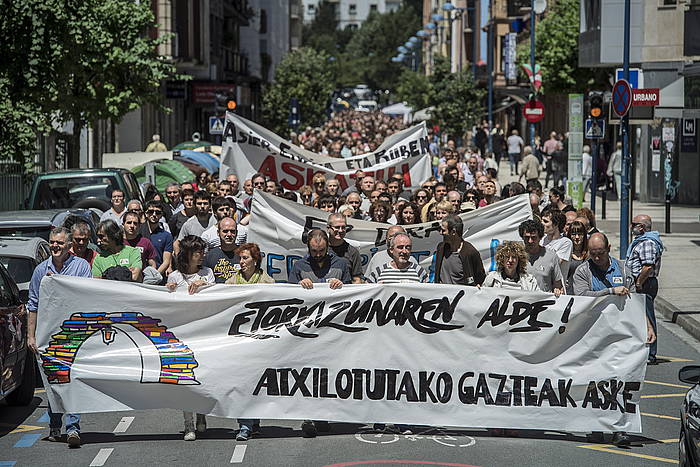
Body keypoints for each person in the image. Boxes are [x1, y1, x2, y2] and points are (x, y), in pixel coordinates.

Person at [572, 232, 655, 447]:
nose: (596, 258)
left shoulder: (624, 269)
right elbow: (581, 297)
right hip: (592, 338)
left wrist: (647, 325)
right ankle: (596, 426)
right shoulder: (583, 271)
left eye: (600, 253)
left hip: (620, 338)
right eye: (593, 254)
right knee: (594, 382)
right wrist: (610, 292)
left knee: (621, 382)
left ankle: (620, 428)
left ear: (608, 249)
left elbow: (635, 300)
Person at [27, 227, 92, 448]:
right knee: (54, 382)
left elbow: (85, 297)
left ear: (69, 246)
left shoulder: (81, 267)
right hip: (48, 334)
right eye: (52, 242)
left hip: (73, 333)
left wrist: (60, 284)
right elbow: (33, 305)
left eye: (60, 243)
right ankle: (55, 425)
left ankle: (73, 428)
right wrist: (31, 335)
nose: (55, 246)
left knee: (71, 380)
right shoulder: (39, 271)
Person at [288, 229, 350, 438]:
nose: (317, 255)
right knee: (307, 373)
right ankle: (308, 416)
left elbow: (355, 293)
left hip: (333, 330)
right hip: (307, 330)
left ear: (328, 247)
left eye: (321, 251)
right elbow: (287, 297)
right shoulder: (299, 266)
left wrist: (343, 286)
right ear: (308, 247)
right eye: (313, 251)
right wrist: (298, 286)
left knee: (328, 373)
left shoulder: (341, 264)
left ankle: (323, 414)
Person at [165, 235, 215, 441]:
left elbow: (217, 295)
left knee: (202, 378)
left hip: (204, 334)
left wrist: (205, 284)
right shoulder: (175, 277)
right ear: (187, 254)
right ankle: (188, 424)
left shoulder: (208, 273)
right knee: (185, 379)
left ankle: (201, 414)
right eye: (197, 252)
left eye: (202, 252)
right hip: (183, 336)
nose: (202, 256)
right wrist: (170, 291)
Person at [223, 243, 272, 441]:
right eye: (240, 259)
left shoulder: (268, 281)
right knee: (241, 384)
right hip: (239, 341)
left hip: (260, 341)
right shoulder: (232, 281)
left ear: (255, 260)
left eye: (245, 258)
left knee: (257, 383)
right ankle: (244, 425)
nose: (241, 262)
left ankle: (255, 422)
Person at [626, 214, 663, 364]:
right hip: (642, 282)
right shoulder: (642, 241)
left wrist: (639, 283)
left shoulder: (647, 242)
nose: (631, 226)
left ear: (641, 227)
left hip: (645, 283)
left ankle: (650, 353)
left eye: (633, 224)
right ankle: (643, 350)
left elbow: (647, 266)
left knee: (647, 316)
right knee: (640, 317)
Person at [432, 214, 486, 286]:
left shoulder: (470, 252)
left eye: (443, 230)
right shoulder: (441, 248)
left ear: (453, 232)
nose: (441, 233)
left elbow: (480, 278)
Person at [518, 220, 564, 296]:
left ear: (540, 237)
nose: (530, 241)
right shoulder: (516, 255)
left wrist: (557, 290)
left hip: (542, 304)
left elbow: (558, 285)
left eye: (534, 238)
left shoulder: (551, 256)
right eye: (527, 237)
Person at [140, 200, 174, 280]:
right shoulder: (138, 231)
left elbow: (166, 261)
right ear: (146, 213)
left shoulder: (166, 236)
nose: (154, 215)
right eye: (151, 212)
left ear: (161, 215)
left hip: (158, 276)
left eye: (158, 212)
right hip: (138, 275)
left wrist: (154, 276)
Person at [122, 210, 159, 283]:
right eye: (129, 223)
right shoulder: (117, 242)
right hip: (121, 281)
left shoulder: (145, 242)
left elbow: (152, 264)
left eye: (135, 223)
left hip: (140, 283)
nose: (132, 226)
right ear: (123, 224)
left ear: (139, 226)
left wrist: (149, 279)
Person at [540, 207, 573, 285]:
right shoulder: (540, 239)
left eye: (545, 221)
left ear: (556, 224)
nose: (541, 223)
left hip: (556, 289)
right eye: (541, 220)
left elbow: (553, 265)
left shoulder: (565, 243)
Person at [327, 213, 363, 284]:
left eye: (343, 227)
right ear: (328, 228)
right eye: (337, 227)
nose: (340, 230)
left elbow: (357, 279)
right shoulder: (320, 249)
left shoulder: (353, 252)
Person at [203, 217, 240, 283]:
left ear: (236, 233)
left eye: (232, 231)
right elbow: (204, 279)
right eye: (225, 231)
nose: (229, 234)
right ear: (218, 233)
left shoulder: (244, 254)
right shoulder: (209, 256)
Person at [565, 220, 588, 293]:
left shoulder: (589, 253)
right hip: (569, 292)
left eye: (580, 234)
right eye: (574, 234)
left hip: (585, 292)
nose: (577, 237)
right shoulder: (565, 253)